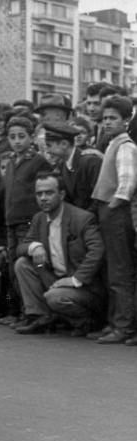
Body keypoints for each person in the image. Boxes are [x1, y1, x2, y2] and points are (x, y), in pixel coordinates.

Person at [14, 172, 106, 336]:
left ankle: (87, 322)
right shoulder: (39, 219)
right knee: (23, 264)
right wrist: (34, 246)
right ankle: (42, 317)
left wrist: (76, 279)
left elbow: (97, 250)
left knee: (55, 297)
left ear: (62, 194)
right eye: (39, 193)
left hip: (85, 288)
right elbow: (22, 246)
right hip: (56, 279)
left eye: (49, 193)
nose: (43, 198)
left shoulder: (83, 218)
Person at [90, 96, 137, 344]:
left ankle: (124, 327)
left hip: (116, 214)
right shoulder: (112, 144)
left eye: (113, 118)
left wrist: (112, 207)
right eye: (105, 118)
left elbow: (127, 184)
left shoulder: (126, 146)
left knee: (120, 272)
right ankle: (115, 323)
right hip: (107, 211)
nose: (107, 122)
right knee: (112, 272)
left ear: (126, 121)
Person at [0, 116, 52, 328]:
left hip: (28, 222)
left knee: (26, 265)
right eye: (12, 137)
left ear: (31, 137)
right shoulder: (11, 162)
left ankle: (35, 312)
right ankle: (24, 312)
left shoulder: (38, 161)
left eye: (22, 136)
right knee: (13, 268)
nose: (17, 141)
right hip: (11, 221)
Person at [43, 121, 102, 212]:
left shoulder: (90, 162)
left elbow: (100, 198)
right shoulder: (62, 164)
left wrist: (83, 219)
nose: (47, 150)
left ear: (64, 144)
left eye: (49, 145)